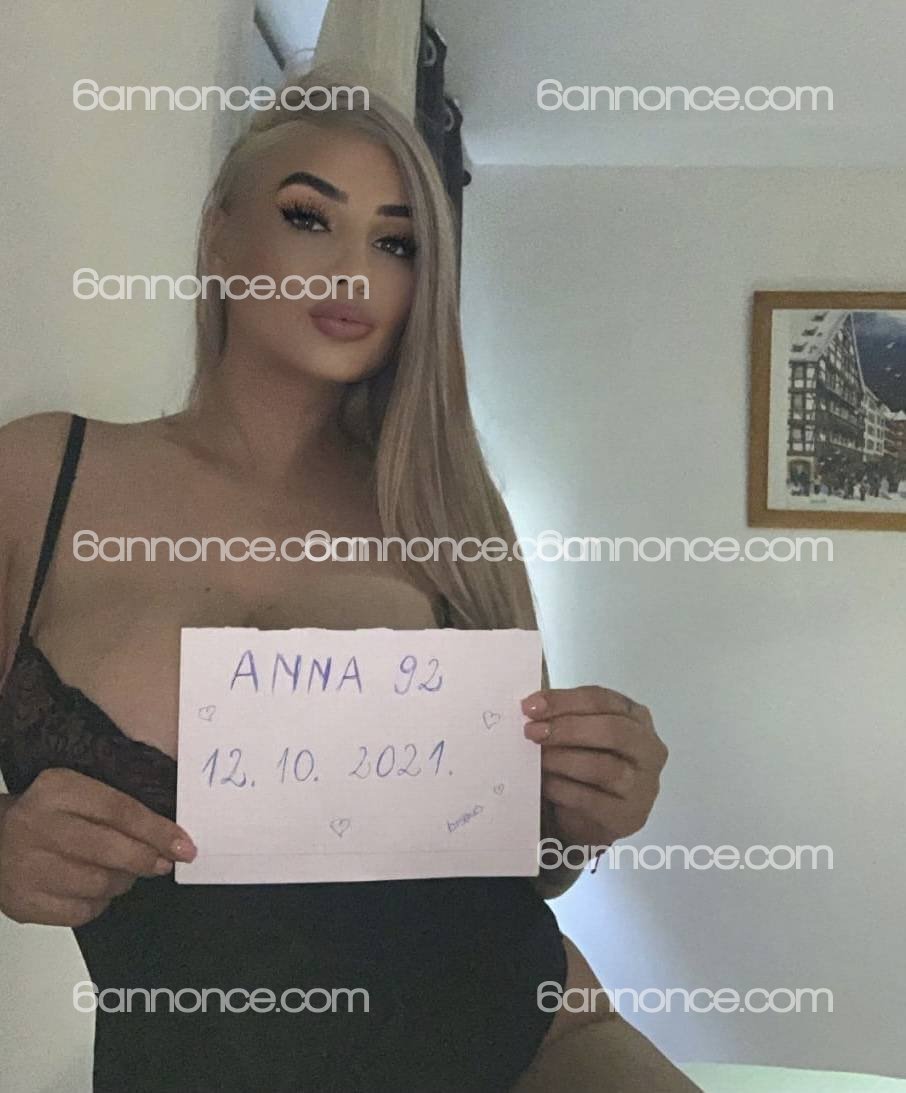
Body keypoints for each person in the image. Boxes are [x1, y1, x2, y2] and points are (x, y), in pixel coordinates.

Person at [0, 71, 699, 1092]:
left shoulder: (447, 514)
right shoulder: (39, 479)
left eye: (395, 242)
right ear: (219, 235)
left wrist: (593, 808)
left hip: (533, 1042)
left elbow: (530, 859)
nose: (353, 272)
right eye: (308, 217)